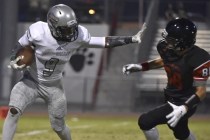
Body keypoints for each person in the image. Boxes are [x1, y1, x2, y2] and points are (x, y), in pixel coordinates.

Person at [2, 4, 146, 140]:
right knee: (14, 110)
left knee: (58, 127)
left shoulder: (79, 35)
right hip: (31, 81)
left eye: (72, 28)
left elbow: (104, 42)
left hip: (54, 87)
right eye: (65, 29)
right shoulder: (38, 31)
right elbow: (21, 44)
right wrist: (14, 58)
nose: (71, 32)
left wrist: (131, 39)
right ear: (52, 25)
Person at [122, 18, 210, 140]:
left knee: (145, 121)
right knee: (181, 133)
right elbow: (165, 61)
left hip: (185, 102)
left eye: (171, 40)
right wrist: (140, 67)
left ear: (183, 42)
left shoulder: (200, 58)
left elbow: (201, 91)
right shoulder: (165, 47)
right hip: (170, 97)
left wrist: (184, 108)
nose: (166, 42)